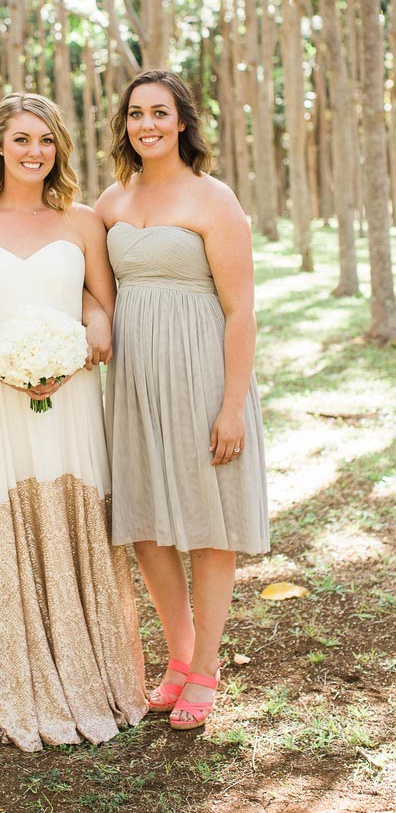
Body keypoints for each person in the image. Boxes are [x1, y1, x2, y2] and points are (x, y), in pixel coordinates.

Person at [0, 92, 148, 752]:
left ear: (59, 148)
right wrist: (10, 372)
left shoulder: (81, 222)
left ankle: (82, 671)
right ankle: (3, 677)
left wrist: (88, 328)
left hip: (69, 394)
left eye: (45, 140)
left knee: (71, 506)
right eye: (20, 140)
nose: (34, 152)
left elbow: (102, 302)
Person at [96, 69, 268, 731]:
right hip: (136, 381)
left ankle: (208, 669)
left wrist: (230, 404)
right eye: (136, 113)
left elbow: (240, 308)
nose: (147, 124)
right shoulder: (111, 201)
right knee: (144, 524)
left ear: (182, 123)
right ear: (126, 124)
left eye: (160, 113)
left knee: (207, 522)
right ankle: (178, 656)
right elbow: (89, 283)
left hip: (201, 374)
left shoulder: (212, 199)